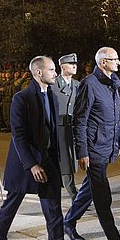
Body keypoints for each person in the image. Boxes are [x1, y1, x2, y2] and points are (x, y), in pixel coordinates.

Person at [0, 56, 83, 240]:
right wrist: (32, 164)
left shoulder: (51, 95)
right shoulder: (22, 98)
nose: (55, 73)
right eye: (51, 70)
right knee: (11, 205)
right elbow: (19, 136)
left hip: (48, 160)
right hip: (26, 163)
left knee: (53, 210)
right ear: (39, 73)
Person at [62, 47, 120, 240]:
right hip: (94, 149)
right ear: (103, 62)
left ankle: (69, 221)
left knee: (89, 189)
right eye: (115, 59)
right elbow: (80, 121)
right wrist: (82, 152)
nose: (119, 63)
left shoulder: (112, 83)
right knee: (103, 196)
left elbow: (114, 116)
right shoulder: (89, 84)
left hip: (106, 144)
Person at [50, 53, 80, 201]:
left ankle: (74, 189)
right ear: (62, 67)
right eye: (71, 64)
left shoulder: (77, 85)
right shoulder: (54, 85)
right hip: (58, 128)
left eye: (75, 64)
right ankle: (72, 192)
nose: (74, 66)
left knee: (72, 158)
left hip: (73, 127)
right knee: (63, 160)